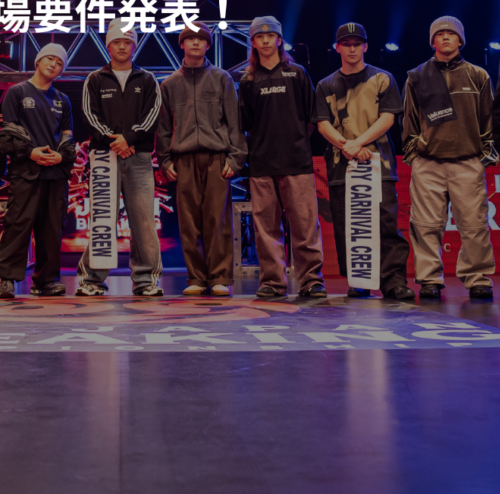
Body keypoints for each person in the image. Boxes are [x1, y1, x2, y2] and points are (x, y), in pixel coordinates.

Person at [315, 22, 414, 300]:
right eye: (346, 44)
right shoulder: (325, 85)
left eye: (357, 44)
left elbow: (388, 118)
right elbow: (322, 123)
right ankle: (358, 280)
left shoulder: (382, 78)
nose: (352, 49)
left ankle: (393, 281)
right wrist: (347, 146)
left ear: (366, 47)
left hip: (378, 164)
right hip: (341, 166)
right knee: (349, 225)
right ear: (337, 48)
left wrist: (358, 143)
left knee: (386, 224)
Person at [403, 16, 496, 301]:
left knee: (474, 225)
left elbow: (488, 119)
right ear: (432, 41)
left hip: (467, 162)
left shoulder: (477, 75)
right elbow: (409, 121)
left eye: (451, 33)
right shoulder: (417, 76)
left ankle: (477, 279)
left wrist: (482, 157)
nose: (445, 37)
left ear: (460, 40)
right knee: (426, 225)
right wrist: (415, 154)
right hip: (428, 164)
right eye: (440, 33)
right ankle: (430, 279)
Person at [238, 17, 327, 299]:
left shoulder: (297, 73)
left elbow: (311, 118)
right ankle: (272, 282)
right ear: (253, 43)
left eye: (270, 36)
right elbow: (245, 124)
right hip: (261, 164)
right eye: (259, 37)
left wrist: (295, 143)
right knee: (266, 228)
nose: (265, 40)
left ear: (279, 40)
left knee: (305, 225)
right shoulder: (247, 80)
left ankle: (311, 280)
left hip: (297, 163)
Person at [157, 22, 247, 296]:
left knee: (217, 220)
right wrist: (165, 161)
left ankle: (220, 277)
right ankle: (196, 277)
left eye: (201, 39)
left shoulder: (222, 78)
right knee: (188, 221)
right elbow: (163, 128)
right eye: (190, 39)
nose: (195, 43)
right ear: (182, 44)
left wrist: (236, 158)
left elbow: (235, 122)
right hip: (183, 160)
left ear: (208, 45)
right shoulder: (169, 84)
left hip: (216, 157)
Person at [77, 18, 163, 297]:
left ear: (134, 46)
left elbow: (152, 115)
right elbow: (90, 115)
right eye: (117, 42)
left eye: (128, 42)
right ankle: (92, 280)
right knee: (102, 219)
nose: (122, 46)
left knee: (143, 221)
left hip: (138, 157)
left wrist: (129, 139)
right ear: (108, 46)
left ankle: (145, 280)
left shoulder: (147, 79)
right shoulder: (95, 79)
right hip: (104, 156)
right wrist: (114, 141)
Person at [0, 44, 76, 298]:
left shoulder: (63, 100)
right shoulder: (17, 92)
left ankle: (46, 281)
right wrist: (31, 153)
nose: (54, 65)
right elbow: (7, 137)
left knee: (52, 231)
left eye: (59, 63)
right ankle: (7, 280)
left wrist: (61, 156)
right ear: (38, 61)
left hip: (56, 175)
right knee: (17, 226)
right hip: (25, 173)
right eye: (49, 59)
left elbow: (68, 138)